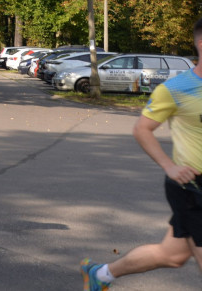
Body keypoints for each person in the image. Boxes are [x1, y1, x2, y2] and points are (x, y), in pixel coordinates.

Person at [81, 17, 202, 290]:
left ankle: (100, 274)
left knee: (171, 256)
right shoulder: (175, 89)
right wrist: (169, 166)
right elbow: (142, 129)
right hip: (193, 187)